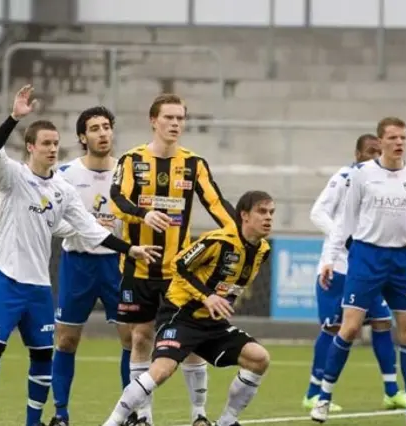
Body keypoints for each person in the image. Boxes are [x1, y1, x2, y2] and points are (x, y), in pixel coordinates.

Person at [0, 85, 160, 426]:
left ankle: (113, 413)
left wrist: (130, 248)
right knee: (19, 345)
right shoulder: (20, 176)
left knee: (54, 352)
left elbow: (89, 226)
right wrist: (14, 117)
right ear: (30, 147)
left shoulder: (65, 189)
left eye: (55, 144)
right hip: (30, 271)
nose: (52, 149)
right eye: (46, 143)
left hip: (66, 276)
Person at [110, 93, 237, 426]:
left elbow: (216, 203)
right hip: (138, 268)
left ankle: (198, 415)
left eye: (180, 118)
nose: (175, 124)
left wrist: (238, 233)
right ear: (154, 121)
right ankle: (143, 416)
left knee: (190, 342)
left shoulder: (194, 164)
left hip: (180, 274)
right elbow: (116, 201)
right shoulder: (131, 160)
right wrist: (142, 214)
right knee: (140, 337)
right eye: (169, 118)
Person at [310, 117, 406, 426]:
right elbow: (345, 221)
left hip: (401, 259)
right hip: (366, 256)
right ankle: (324, 398)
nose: (399, 143)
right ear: (381, 141)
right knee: (351, 328)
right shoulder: (361, 175)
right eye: (393, 138)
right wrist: (331, 258)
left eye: (403, 138)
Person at [101, 190, 274, 426]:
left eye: (271, 213)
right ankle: (112, 422)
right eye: (262, 212)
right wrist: (207, 296)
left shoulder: (263, 250)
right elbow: (179, 265)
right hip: (181, 317)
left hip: (212, 324)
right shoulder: (218, 240)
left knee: (259, 358)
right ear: (244, 215)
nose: (268, 218)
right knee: (161, 371)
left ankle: (226, 421)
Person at [304, 133, 406, 411]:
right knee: (335, 327)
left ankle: (391, 391)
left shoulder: (385, 180)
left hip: (369, 269)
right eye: (370, 151)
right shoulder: (345, 176)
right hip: (339, 267)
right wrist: (345, 237)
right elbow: (317, 212)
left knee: (383, 321)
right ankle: (313, 393)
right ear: (357, 154)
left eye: (379, 151)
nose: (375, 156)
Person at [48, 106, 132, 426]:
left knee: (131, 339)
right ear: (83, 137)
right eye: (95, 128)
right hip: (78, 264)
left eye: (107, 127)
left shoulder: (128, 172)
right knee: (67, 340)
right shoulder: (66, 173)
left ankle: (130, 411)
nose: (103, 133)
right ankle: (61, 413)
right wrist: (87, 229)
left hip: (118, 265)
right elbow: (52, 222)